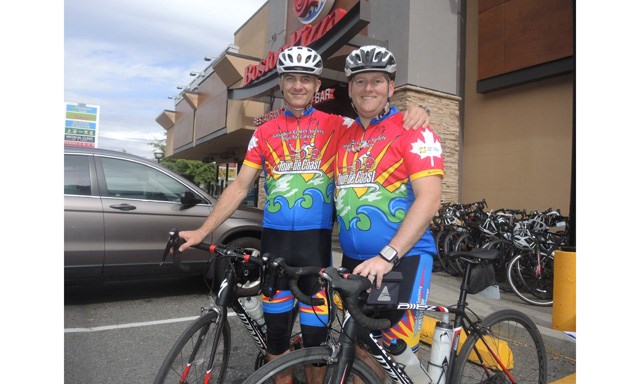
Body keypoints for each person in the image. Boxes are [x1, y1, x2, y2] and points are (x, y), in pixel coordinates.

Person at [177, 45, 431, 384]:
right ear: (281, 85)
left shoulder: (339, 126)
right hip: (276, 245)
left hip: (316, 248)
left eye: (306, 79)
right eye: (291, 79)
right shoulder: (264, 133)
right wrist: (202, 230)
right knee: (277, 337)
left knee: (318, 341)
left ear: (317, 85)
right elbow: (239, 187)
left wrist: (419, 109)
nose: (299, 85)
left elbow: (378, 120)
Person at [333, 45, 444, 380]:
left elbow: (429, 200)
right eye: (361, 81)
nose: (369, 88)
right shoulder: (343, 135)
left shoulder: (414, 130)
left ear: (391, 88)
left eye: (378, 81)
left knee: (388, 349)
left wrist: (388, 255)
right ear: (350, 89)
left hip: (399, 260)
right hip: (355, 261)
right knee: (357, 345)